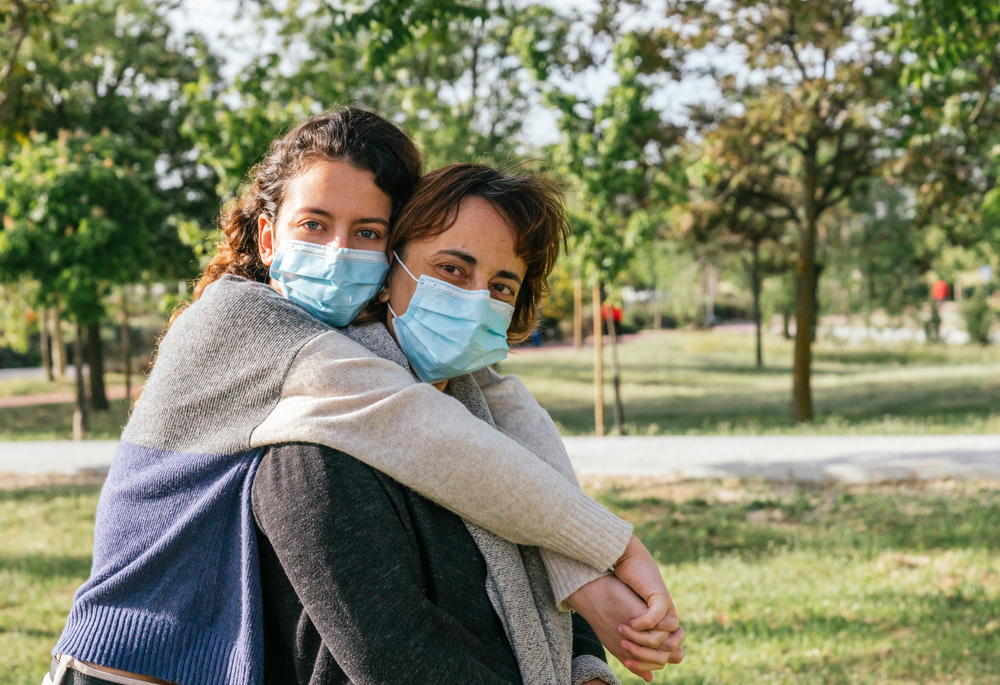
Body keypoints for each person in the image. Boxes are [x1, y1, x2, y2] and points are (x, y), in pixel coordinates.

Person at [46, 110, 682, 685]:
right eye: (314, 224)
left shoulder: (362, 349)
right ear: (268, 239)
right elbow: (437, 436)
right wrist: (615, 548)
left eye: (368, 232)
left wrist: (582, 577)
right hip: (127, 662)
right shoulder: (245, 323)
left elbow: (501, 408)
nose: (337, 252)